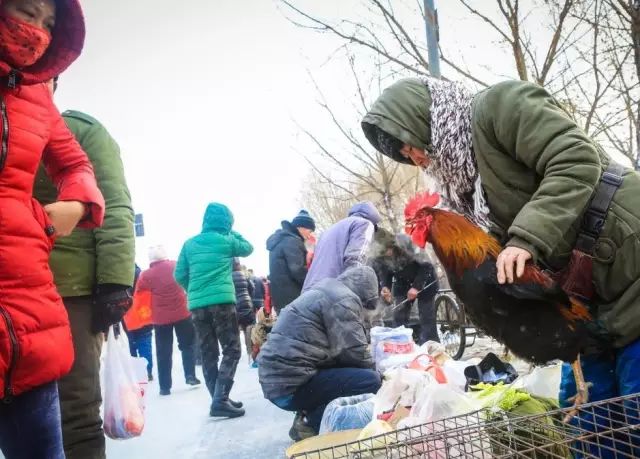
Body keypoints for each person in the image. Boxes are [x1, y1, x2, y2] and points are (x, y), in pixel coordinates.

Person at [362, 77, 640, 455]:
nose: (413, 156)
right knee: (589, 423)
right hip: (589, 294)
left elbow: (575, 158)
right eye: (403, 153)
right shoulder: (463, 181)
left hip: (629, 258)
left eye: (409, 142)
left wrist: (527, 238)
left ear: (419, 118)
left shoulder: (500, 105)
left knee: (634, 403)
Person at [0, 1, 107, 458]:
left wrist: (76, 206)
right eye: (27, 12)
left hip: (30, 312)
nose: (36, 33)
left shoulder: (37, 95)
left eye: (49, 24)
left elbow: (78, 166)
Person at [34, 93, 134, 457]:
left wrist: (114, 282)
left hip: (70, 294)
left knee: (74, 411)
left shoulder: (78, 131)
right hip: (17, 288)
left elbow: (112, 204)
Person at [259, 266, 382, 440]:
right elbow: (354, 352)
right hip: (289, 387)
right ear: (365, 293)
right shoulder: (343, 299)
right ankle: (310, 422)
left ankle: (308, 413)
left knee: (351, 375)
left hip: (277, 381)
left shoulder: (327, 289)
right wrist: (381, 374)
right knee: (369, 380)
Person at [175, 203, 253, 418]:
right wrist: (230, 230)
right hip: (222, 303)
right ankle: (221, 399)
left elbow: (179, 274)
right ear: (227, 223)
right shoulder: (226, 241)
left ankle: (219, 398)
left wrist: (193, 290)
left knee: (209, 353)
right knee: (232, 349)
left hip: (198, 307)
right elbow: (248, 247)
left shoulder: (189, 244)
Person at [136, 245, 200, 396]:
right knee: (187, 345)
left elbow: (139, 291)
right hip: (183, 313)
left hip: (160, 319)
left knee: (163, 352)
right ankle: (190, 375)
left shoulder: (146, 275)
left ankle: (165, 387)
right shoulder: (176, 265)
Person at [371, 231, 440, 344]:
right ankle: (399, 344)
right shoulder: (381, 257)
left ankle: (430, 346)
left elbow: (426, 265)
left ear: (391, 245)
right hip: (402, 282)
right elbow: (385, 273)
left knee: (426, 317)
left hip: (425, 280)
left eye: (387, 250)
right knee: (399, 316)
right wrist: (385, 288)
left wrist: (416, 287)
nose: (386, 254)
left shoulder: (408, 243)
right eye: (383, 253)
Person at [302, 202, 381, 292]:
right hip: (330, 291)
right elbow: (355, 260)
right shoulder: (365, 224)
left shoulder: (329, 230)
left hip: (308, 290)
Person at [267, 209, 316, 313]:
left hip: (280, 298)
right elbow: (297, 270)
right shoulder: (292, 241)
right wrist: (314, 284)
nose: (310, 235)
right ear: (301, 227)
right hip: (293, 298)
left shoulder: (281, 240)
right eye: (310, 231)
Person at [124, 264, 154, 381]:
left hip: (127, 318)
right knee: (145, 345)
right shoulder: (143, 276)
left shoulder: (121, 278)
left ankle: (135, 373)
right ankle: (147, 371)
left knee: (130, 347)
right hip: (144, 316)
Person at [232, 259, 256, 362]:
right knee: (249, 329)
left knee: (235, 330)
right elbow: (252, 288)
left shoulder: (227, 277)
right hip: (247, 304)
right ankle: (250, 353)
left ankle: (236, 353)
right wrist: (248, 297)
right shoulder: (244, 275)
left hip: (234, 306)